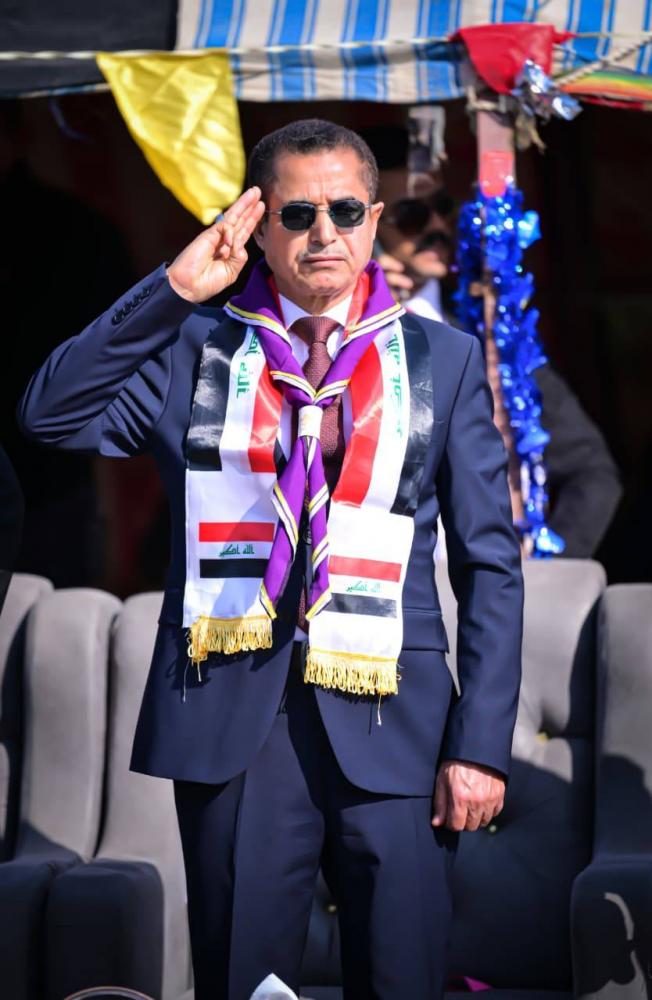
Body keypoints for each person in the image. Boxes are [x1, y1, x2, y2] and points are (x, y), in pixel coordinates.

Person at [18, 120, 523, 1000]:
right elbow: (51, 414)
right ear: (257, 225)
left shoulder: (441, 359)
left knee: (403, 978)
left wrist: (480, 746)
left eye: (346, 210)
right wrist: (174, 291)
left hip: (397, 725)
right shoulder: (193, 344)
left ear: (373, 220)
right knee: (247, 983)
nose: (324, 232)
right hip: (233, 721)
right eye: (297, 213)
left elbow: (490, 563)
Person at [377, 196, 622, 559]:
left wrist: (550, 574)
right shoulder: (334, 330)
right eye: (412, 215)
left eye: (443, 210)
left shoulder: (493, 340)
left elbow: (591, 472)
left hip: (478, 580)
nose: (436, 228)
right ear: (370, 222)